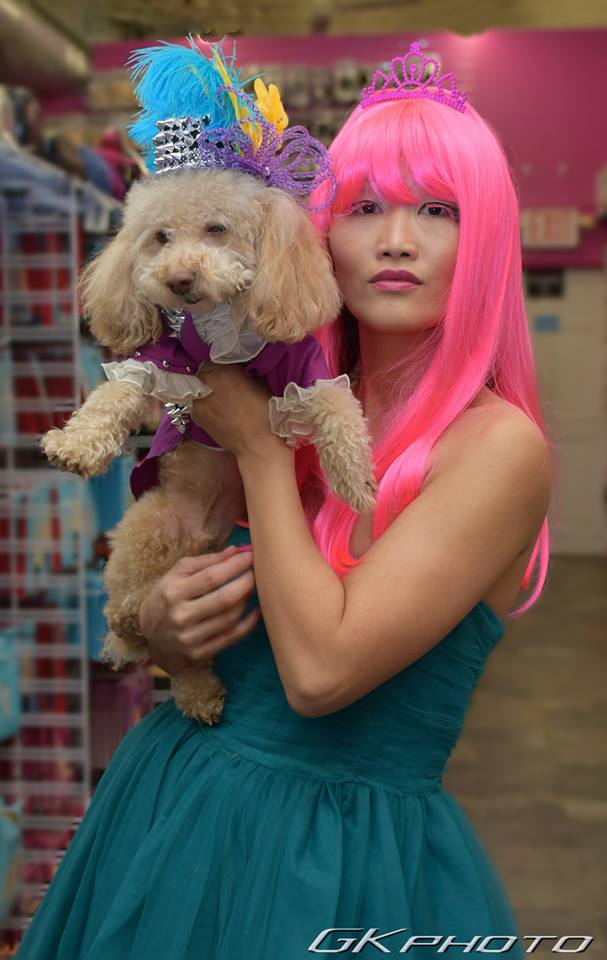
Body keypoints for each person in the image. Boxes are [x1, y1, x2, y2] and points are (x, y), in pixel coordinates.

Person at [15, 41, 553, 959]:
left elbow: (319, 675)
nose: (395, 239)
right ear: (315, 231)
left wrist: (260, 450)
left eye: (438, 210)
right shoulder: (279, 382)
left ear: (489, 239)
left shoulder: (497, 448)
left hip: (328, 859)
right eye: (365, 207)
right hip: (171, 801)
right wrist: (162, 631)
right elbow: (221, 623)